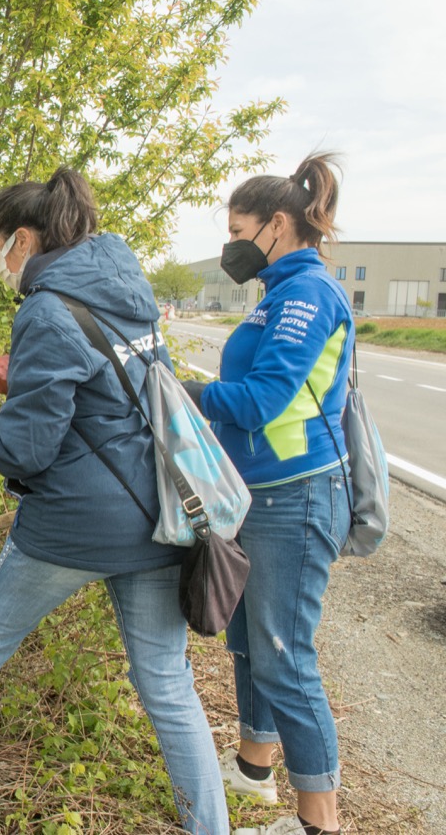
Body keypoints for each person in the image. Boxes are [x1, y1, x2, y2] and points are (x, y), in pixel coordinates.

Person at [0, 168, 229, 835]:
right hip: (157, 508)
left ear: (21, 240)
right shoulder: (121, 279)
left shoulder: (45, 307)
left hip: (74, 521)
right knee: (165, 682)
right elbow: (104, 384)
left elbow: (26, 448)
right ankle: (209, 827)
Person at [183, 153, 352, 835]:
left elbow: (258, 403)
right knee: (252, 647)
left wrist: (181, 394)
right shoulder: (279, 294)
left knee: (285, 658)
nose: (230, 244)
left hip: (297, 497)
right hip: (261, 496)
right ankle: (254, 774)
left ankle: (321, 822)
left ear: (277, 225)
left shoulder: (307, 296)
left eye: (237, 228)